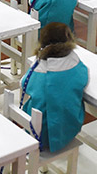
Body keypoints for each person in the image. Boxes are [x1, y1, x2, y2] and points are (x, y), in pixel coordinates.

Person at [20, 22, 88, 153]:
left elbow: (24, 84)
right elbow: (84, 79)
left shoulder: (38, 68)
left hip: (36, 130)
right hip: (67, 128)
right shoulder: (75, 64)